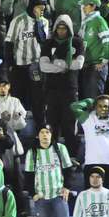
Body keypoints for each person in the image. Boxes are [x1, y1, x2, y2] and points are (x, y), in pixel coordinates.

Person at [25, 126, 76, 217]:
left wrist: (67, 187)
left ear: (52, 135)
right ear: (38, 136)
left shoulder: (60, 149)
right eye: (42, 132)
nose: (45, 135)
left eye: (47, 132)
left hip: (58, 195)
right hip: (41, 198)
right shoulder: (33, 152)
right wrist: (33, 194)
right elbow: (28, 175)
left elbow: (68, 169)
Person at [37, 15, 83, 147]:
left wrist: (57, 63)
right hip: (51, 89)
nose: (61, 31)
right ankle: (53, 154)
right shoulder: (48, 43)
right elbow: (43, 66)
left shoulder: (77, 42)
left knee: (69, 125)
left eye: (64, 28)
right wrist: (66, 65)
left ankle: (71, 156)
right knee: (52, 124)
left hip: (70, 89)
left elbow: (78, 64)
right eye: (59, 28)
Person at [4, 0, 49, 111]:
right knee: (19, 98)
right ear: (32, 6)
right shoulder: (18, 20)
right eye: (39, 7)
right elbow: (9, 43)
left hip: (37, 65)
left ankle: (39, 127)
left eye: (43, 8)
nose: (42, 10)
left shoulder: (44, 22)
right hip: (20, 66)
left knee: (38, 98)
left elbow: (42, 39)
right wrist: (10, 65)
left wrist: (38, 21)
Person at [77, 0, 109, 100]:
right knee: (88, 99)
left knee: (94, 98)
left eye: (85, 5)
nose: (83, 8)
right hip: (88, 66)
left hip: (96, 67)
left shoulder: (99, 21)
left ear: (93, 6)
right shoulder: (87, 22)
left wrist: (104, 61)